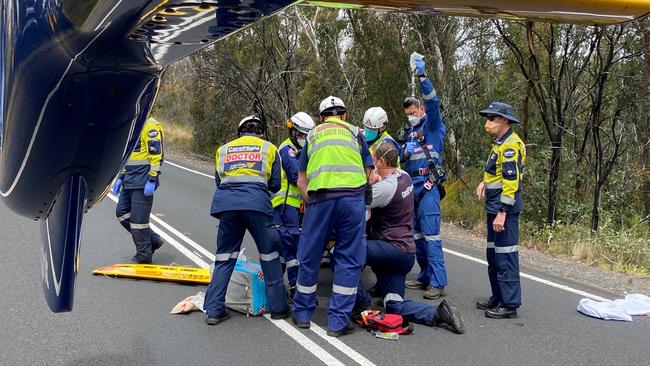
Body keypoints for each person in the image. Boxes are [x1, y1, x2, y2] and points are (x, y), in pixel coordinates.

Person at [355, 142, 464, 334]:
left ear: (380, 161)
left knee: (346, 253)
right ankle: (438, 313)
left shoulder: (384, 189)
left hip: (390, 249)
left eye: (373, 159)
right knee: (394, 305)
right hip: (404, 255)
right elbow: (385, 186)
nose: (372, 162)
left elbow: (357, 204)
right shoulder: (404, 177)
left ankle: (361, 301)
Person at [292, 96, 374, 337]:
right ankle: (337, 323)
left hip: (320, 199)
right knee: (348, 259)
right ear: (344, 115)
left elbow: (300, 180)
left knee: (309, 255)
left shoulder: (313, 136)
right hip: (351, 200)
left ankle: (302, 314)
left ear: (321, 117)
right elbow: (369, 172)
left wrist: (311, 201)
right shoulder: (356, 133)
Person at [203, 116, 290, 325]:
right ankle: (278, 309)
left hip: (227, 206)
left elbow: (219, 181)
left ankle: (214, 311)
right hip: (257, 205)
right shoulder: (269, 148)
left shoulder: (223, 149)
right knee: (269, 256)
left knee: (224, 258)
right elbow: (276, 183)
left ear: (239, 132)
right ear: (261, 133)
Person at [402, 53, 448, 300]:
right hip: (413, 188)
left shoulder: (432, 127)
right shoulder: (410, 134)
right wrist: (403, 154)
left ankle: (438, 282)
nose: (411, 114)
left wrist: (422, 76)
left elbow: (432, 101)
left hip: (428, 187)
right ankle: (425, 276)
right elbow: (399, 162)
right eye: (408, 112)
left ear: (420, 109)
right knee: (417, 237)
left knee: (431, 237)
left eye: (413, 110)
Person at [475, 102, 526, 319]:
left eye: (493, 118)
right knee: (493, 255)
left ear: (504, 120)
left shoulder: (510, 146)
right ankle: (498, 296)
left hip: (503, 208)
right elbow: (496, 174)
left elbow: (511, 181)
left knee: (506, 256)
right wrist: (484, 182)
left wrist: (503, 211)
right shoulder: (499, 143)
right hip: (493, 205)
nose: (489, 122)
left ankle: (509, 304)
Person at [272, 112, 315, 296]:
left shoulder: (302, 150)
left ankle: (274, 286)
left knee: (285, 248)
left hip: (295, 206)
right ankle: (295, 287)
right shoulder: (287, 150)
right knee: (292, 245)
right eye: (302, 135)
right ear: (294, 132)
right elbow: (296, 176)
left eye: (307, 136)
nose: (304, 139)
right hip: (285, 205)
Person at [112, 117, 165, 264]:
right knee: (122, 213)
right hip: (129, 178)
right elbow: (128, 155)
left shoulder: (150, 125)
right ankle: (153, 239)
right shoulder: (133, 124)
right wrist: (121, 176)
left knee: (138, 221)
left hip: (143, 179)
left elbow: (156, 155)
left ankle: (143, 255)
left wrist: (152, 178)